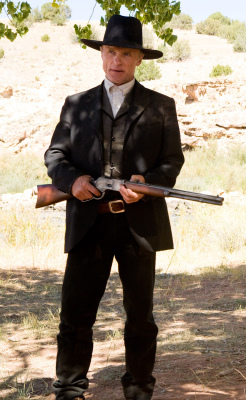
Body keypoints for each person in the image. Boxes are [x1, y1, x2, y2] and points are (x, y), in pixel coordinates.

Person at [44, 15, 184, 400]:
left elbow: (172, 162)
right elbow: (55, 154)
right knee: (75, 316)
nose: (116, 60)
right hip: (89, 225)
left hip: (138, 226)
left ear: (139, 58)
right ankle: (69, 389)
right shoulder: (76, 105)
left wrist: (147, 183)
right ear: (101, 54)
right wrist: (72, 181)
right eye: (110, 51)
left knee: (140, 317)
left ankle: (139, 389)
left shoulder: (161, 106)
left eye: (125, 53)